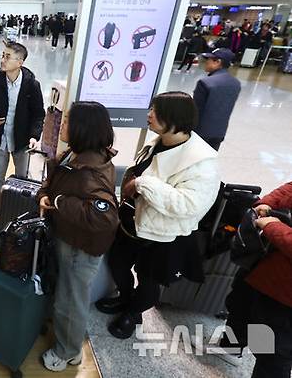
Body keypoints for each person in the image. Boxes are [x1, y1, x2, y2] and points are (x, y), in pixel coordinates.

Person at [95, 92, 220, 339]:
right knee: (118, 263)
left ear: (175, 118)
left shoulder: (202, 162)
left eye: (156, 111)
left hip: (164, 234)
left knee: (149, 280)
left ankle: (134, 312)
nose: (149, 114)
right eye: (151, 108)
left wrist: (143, 184)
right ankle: (126, 297)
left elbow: (189, 204)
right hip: (132, 223)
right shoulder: (158, 141)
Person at [37, 102, 119, 371]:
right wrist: (46, 195)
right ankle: (66, 341)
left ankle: (68, 352)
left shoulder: (90, 172)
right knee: (65, 295)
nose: (62, 123)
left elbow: (104, 217)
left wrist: (59, 201)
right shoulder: (76, 155)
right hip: (67, 238)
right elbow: (55, 182)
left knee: (70, 302)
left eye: (68, 120)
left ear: (83, 129)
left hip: (79, 247)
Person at [196, 181, 292, 378]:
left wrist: (273, 226)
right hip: (264, 265)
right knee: (240, 305)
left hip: (284, 293)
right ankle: (230, 348)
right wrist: (267, 204)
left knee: (272, 351)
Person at [0, 41, 45, 222]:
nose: (3, 59)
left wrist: (34, 135)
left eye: (8, 57)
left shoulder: (32, 85)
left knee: (21, 177)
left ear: (20, 62)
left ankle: (19, 208)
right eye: (3, 55)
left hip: (22, 140)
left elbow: (39, 114)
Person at [193, 48, 241, 151]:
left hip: (200, 133)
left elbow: (195, 111)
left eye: (209, 59)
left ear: (217, 62)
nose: (206, 62)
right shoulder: (235, 83)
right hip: (219, 132)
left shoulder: (205, 83)